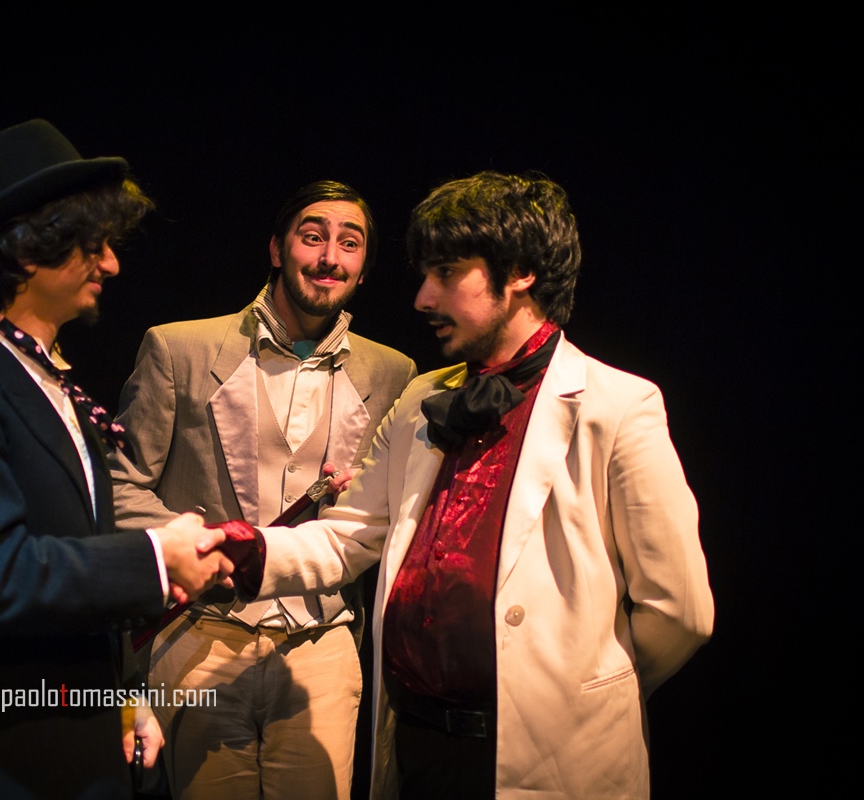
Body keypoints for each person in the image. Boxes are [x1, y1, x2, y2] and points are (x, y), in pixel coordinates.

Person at [219, 172, 714, 799]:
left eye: (448, 273)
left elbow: (680, 611)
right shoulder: (421, 398)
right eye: (424, 274)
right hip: (420, 748)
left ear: (521, 273)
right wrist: (241, 550)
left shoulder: (617, 406)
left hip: (550, 761)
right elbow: (351, 534)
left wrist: (590, 690)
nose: (422, 298)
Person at [0, 119, 232, 800]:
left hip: (63, 745)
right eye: (92, 244)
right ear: (26, 251)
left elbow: (74, 570)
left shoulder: (49, 384)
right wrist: (156, 557)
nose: (112, 264)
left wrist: (119, 699)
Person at [108, 181, 416, 800]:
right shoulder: (179, 349)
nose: (329, 257)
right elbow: (120, 484)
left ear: (363, 267)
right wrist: (200, 547)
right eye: (313, 236)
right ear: (277, 249)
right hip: (201, 634)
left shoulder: (393, 373)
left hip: (321, 643)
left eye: (349, 243)